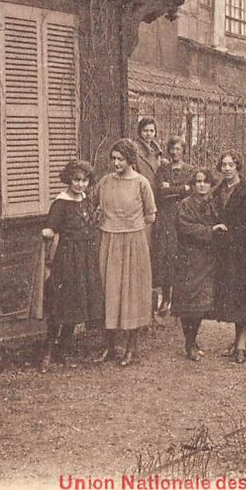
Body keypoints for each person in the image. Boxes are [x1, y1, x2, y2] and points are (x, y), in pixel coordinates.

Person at [94, 138, 156, 366]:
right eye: (113, 159)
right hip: (109, 241)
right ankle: (109, 347)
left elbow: (151, 215)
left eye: (120, 159)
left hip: (134, 243)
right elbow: (94, 205)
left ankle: (131, 348)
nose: (116, 163)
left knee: (132, 294)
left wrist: (132, 230)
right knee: (109, 292)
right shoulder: (104, 182)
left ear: (130, 159)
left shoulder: (142, 183)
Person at [38, 160, 104, 371]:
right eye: (76, 180)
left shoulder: (85, 200)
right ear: (69, 180)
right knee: (60, 304)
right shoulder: (61, 203)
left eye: (84, 180)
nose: (80, 184)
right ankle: (47, 353)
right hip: (66, 260)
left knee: (76, 303)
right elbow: (50, 228)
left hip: (84, 258)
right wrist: (49, 233)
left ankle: (63, 350)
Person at [212, 150, 246, 363]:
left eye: (230, 165)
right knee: (231, 299)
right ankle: (235, 341)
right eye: (223, 165)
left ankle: (242, 344)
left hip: (244, 253)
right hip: (225, 254)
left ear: (237, 167)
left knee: (243, 298)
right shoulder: (218, 191)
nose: (226, 169)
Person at [173, 169, 220, 361]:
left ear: (210, 184)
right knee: (188, 303)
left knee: (201, 304)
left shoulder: (214, 203)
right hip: (189, 259)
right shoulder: (185, 204)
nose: (201, 185)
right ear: (193, 184)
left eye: (205, 182)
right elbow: (184, 227)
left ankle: (193, 339)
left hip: (207, 259)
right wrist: (210, 230)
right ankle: (189, 342)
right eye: (198, 182)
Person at [153, 135, 194, 316]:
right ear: (168, 150)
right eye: (173, 149)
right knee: (166, 255)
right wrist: (180, 189)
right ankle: (166, 297)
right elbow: (160, 193)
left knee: (182, 254)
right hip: (166, 217)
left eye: (179, 149)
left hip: (183, 216)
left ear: (183, 151)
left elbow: (192, 191)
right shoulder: (163, 169)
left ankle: (180, 298)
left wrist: (172, 189)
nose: (175, 152)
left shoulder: (191, 170)